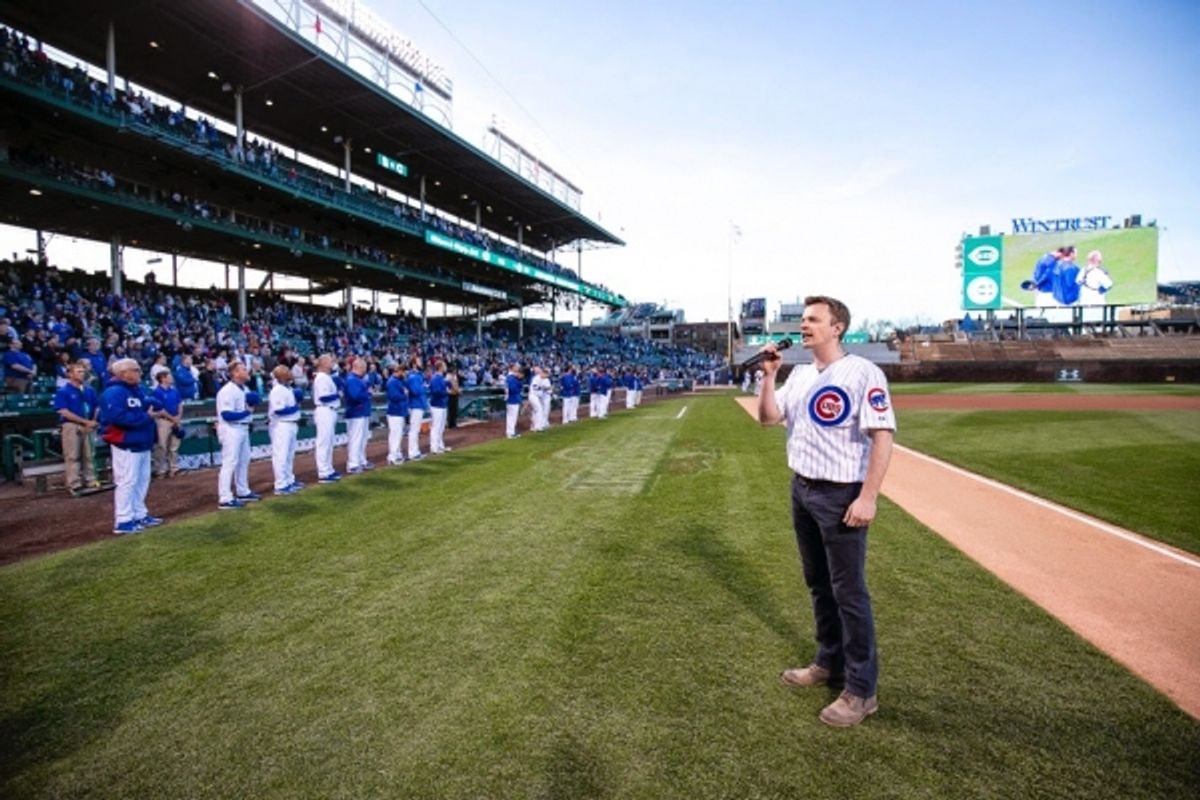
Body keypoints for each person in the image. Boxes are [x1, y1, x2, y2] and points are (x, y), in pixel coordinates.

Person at [756, 295, 895, 728]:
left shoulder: (863, 372)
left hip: (840, 494)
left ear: (837, 328)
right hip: (802, 489)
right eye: (803, 319)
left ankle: (861, 690)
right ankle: (828, 662)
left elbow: (883, 435)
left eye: (814, 319)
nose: (804, 325)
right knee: (818, 583)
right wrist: (769, 377)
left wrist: (868, 497)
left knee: (849, 592)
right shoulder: (799, 374)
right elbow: (767, 418)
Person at [98, 358, 160, 533]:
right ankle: (123, 519)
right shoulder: (114, 392)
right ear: (123, 373)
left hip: (142, 442)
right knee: (127, 482)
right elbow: (118, 418)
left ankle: (139, 514)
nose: (140, 372)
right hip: (126, 442)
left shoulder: (136, 390)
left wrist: (152, 404)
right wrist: (146, 417)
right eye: (136, 369)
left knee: (142, 481)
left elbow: (153, 404)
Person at [215, 360, 262, 508]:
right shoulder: (227, 391)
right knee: (230, 462)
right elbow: (226, 415)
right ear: (235, 373)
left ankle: (243, 491)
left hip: (242, 428)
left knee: (243, 460)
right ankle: (225, 498)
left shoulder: (244, 389)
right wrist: (246, 412)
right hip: (230, 428)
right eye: (243, 369)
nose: (247, 371)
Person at [53, 360, 99, 495]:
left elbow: (97, 406)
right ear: (70, 374)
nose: (82, 374)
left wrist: (93, 421)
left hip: (89, 424)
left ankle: (90, 479)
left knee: (89, 454)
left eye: (83, 371)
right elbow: (63, 411)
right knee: (72, 455)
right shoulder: (63, 391)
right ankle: (74, 483)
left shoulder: (89, 390)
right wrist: (85, 421)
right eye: (78, 371)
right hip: (71, 425)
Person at [267, 364, 302, 495]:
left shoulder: (287, 389)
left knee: (289, 455)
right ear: (281, 375)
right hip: (281, 425)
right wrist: (296, 407)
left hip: (290, 424)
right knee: (281, 455)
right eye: (286, 371)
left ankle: (289, 480)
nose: (289, 373)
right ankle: (280, 485)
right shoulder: (277, 390)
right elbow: (279, 410)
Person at [311, 354, 341, 483]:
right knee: (323, 442)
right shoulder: (321, 377)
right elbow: (323, 397)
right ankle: (323, 472)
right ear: (323, 363)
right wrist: (337, 395)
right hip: (324, 410)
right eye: (330, 361)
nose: (332, 362)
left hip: (330, 410)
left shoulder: (326, 377)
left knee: (328, 442)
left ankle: (328, 469)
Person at [150, 369, 183, 478]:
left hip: (175, 419)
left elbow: (180, 404)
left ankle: (173, 468)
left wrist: (178, 417)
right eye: (169, 376)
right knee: (162, 446)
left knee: (174, 446)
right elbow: (160, 410)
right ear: (163, 378)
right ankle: (161, 470)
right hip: (163, 420)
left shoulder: (174, 391)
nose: (171, 378)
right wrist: (173, 419)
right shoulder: (157, 392)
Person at [343, 357, 373, 474]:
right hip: (355, 413)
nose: (365, 370)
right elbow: (355, 396)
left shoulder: (359, 379)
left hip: (362, 412)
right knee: (355, 439)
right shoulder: (352, 379)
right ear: (358, 367)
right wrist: (367, 393)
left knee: (362, 438)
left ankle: (361, 460)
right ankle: (353, 464)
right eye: (364, 367)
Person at [385, 362, 409, 465]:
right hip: (395, 412)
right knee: (395, 434)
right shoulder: (392, 382)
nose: (405, 375)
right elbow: (393, 397)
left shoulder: (399, 381)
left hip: (399, 411)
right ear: (399, 371)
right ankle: (392, 457)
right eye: (404, 373)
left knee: (398, 434)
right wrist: (404, 395)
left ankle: (397, 454)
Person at [405, 356, 428, 460]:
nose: (421, 362)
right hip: (415, 404)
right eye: (419, 361)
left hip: (418, 404)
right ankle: (412, 453)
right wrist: (423, 387)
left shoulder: (417, 375)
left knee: (416, 429)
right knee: (414, 429)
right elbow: (415, 391)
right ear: (414, 364)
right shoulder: (413, 376)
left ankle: (415, 451)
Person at [428, 360, 450, 454]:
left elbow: (447, 386)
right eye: (444, 365)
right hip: (436, 405)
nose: (445, 367)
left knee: (441, 427)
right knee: (436, 427)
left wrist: (448, 383)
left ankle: (440, 446)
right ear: (440, 367)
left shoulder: (442, 378)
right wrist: (445, 391)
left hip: (442, 404)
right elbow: (435, 391)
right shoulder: (435, 378)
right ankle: (434, 447)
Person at [529, 366, 552, 431]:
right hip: (533, 396)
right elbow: (535, 387)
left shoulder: (544, 379)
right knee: (539, 410)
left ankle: (537, 426)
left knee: (538, 411)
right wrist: (545, 388)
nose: (546, 376)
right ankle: (537, 426)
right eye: (546, 375)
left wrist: (546, 388)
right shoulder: (536, 378)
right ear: (543, 373)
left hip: (538, 397)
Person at [504, 363, 524, 439]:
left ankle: (511, 432)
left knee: (511, 417)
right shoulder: (511, 378)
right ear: (512, 368)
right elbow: (513, 389)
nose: (517, 368)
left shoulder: (510, 377)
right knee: (512, 417)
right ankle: (510, 433)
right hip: (513, 399)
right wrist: (519, 380)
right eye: (516, 367)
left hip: (511, 399)